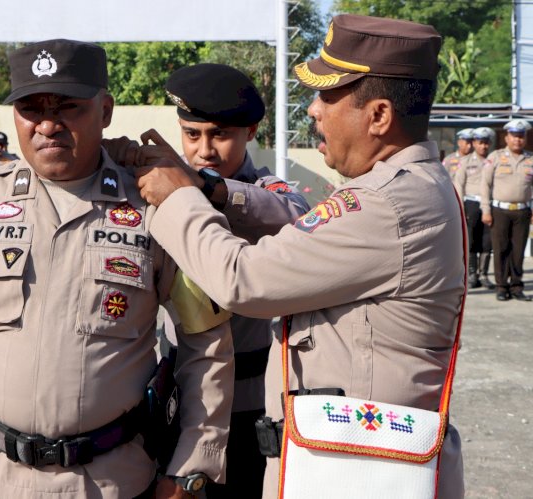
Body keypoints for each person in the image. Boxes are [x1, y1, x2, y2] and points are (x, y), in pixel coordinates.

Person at [133, 14, 465, 498]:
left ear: (378, 116)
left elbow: (243, 279)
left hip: (357, 472)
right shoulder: (412, 189)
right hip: (352, 459)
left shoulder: (384, 204)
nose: (313, 110)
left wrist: (182, 195)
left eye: (327, 97)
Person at [0, 39, 234, 499]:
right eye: (31, 109)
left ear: (106, 109)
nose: (48, 124)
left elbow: (206, 341)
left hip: (116, 481)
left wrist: (190, 467)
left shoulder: (157, 206)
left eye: (69, 107)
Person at [106, 62, 309, 499]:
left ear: (251, 131)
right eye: (192, 134)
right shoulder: (164, 188)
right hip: (175, 396)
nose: (204, 150)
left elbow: (296, 215)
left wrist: (205, 188)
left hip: (248, 407)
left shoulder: (267, 192)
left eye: (219, 134)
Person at [481, 119, 533, 301]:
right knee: (501, 249)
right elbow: (485, 185)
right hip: (499, 210)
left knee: (518, 250)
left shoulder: (532, 158)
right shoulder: (495, 157)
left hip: (522, 211)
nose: (518, 140)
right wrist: (485, 210)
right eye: (514, 136)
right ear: (507, 138)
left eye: (521, 137)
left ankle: (516, 286)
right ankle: (501, 286)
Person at [454, 126, 495, 289]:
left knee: (487, 241)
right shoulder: (465, 161)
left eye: (486, 143)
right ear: (474, 143)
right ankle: (472, 274)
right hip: (471, 204)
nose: (483, 146)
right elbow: (459, 185)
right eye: (480, 142)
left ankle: (484, 274)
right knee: (471, 240)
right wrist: (461, 208)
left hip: (490, 205)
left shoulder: (493, 160)